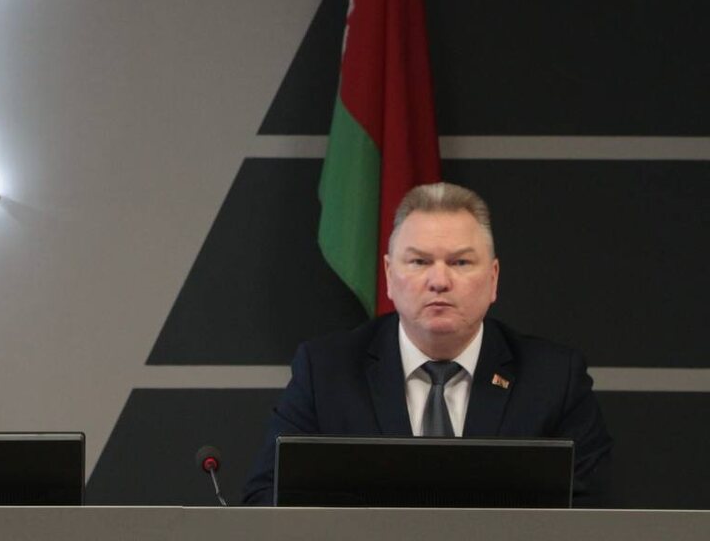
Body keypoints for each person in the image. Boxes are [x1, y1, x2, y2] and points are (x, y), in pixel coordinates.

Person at [242, 182, 612, 506]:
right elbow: (266, 500)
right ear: (389, 276)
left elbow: (597, 515)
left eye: (460, 262)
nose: (439, 281)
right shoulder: (326, 372)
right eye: (419, 261)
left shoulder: (553, 379)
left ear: (493, 278)